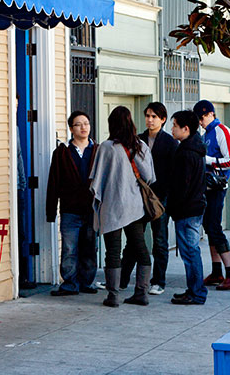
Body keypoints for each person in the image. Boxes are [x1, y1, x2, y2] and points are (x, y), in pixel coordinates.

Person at [89, 106, 156, 307]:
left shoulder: (106, 147)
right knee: (140, 248)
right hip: (135, 206)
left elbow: (96, 181)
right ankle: (142, 292)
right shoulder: (141, 145)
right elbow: (150, 177)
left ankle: (113, 296)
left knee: (113, 250)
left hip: (112, 205)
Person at [120, 102, 177, 295]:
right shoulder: (137, 139)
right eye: (147, 116)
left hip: (160, 198)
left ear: (162, 119)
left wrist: (166, 195)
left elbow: (171, 173)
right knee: (134, 239)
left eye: (154, 116)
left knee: (160, 240)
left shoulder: (170, 142)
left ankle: (158, 281)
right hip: (139, 197)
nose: (150, 120)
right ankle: (122, 279)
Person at [45, 111, 97, 296]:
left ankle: (87, 282)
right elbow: (53, 183)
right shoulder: (61, 153)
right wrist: (51, 211)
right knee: (69, 248)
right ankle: (69, 283)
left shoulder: (98, 151)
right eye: (78, 124)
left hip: (92, 210)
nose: (83, 127)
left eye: (86, 123)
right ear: (71, 129)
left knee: (90, 247)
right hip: (70, 210)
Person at [192, 100, 230, 290]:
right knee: (210, 227)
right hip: (208, 187)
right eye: (199, 119)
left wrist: (208, 160)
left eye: (202, 118)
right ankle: (217, 271)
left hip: (217, 187)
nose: (201, 122)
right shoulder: (207, 134)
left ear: (211, 114)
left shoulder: (222, 131)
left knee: (214, 228)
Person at [166, 111, 209, 305]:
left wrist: (173, 208)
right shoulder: (194, 147)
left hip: (187, 209)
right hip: (194, 207)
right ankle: (194, 289)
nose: (172, 128)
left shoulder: (186, 152)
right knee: (191, 251)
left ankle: (197, 292)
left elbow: (181, 186)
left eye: (175, 125)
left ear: (186, 129)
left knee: (190, 252)